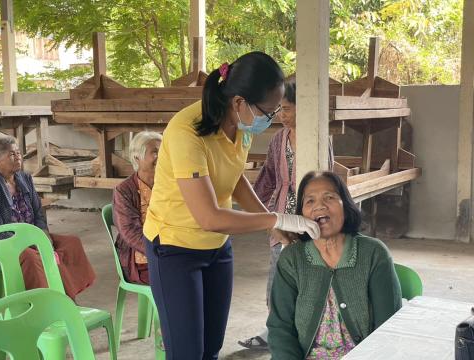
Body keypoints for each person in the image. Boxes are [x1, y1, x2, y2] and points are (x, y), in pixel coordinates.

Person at [142, 52, 320, 360]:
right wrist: (274, 219)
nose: (273, 117)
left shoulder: (240, 125)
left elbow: (234, 178)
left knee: (211, 346)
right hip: (175, 247)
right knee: (186, 352)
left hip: (217, 247)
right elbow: (209, 217)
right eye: (268, 110)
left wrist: (272, 221)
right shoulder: (187, 132)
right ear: (239, 102)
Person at [239, 77, 334, 350]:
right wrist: (258, 210)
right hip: (282, 217)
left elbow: (327, 178)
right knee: (278, 276)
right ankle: (274, 332)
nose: (281, 115)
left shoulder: (317, 138)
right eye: (279, 109)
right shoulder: (278, 140)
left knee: (311, 278)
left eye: (288, 109)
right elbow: (268, 177)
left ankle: (308, 333)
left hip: (311, 220)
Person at [267, 171, 402, 359]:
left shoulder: (373, 254)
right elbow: (279, 328)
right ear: (302, 215)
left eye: (329, 197)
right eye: (310, 201)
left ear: (345, 206)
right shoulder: (292, 259)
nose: (319, 206)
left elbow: (388, 328)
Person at [0, 135, 95, 300]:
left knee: (71, 244)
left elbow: (38, 212)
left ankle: (66, 296)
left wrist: (43, 234)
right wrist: (30, 242)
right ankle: (47, 302)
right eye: (11, 154)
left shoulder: (25, 178)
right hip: (6, 244)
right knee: (32, 257)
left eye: (18, 153)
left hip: (33, 237)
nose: (18, 157)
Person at [113, 131, 162, 284]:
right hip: (143, 258)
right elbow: (130, 233)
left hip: (170, 249)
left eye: (163, 151)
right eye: (155, 152)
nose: (161, 156)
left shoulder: (169, 184)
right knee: (180, 277)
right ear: (137, 158)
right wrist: (162, 252)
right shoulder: (124, 190)